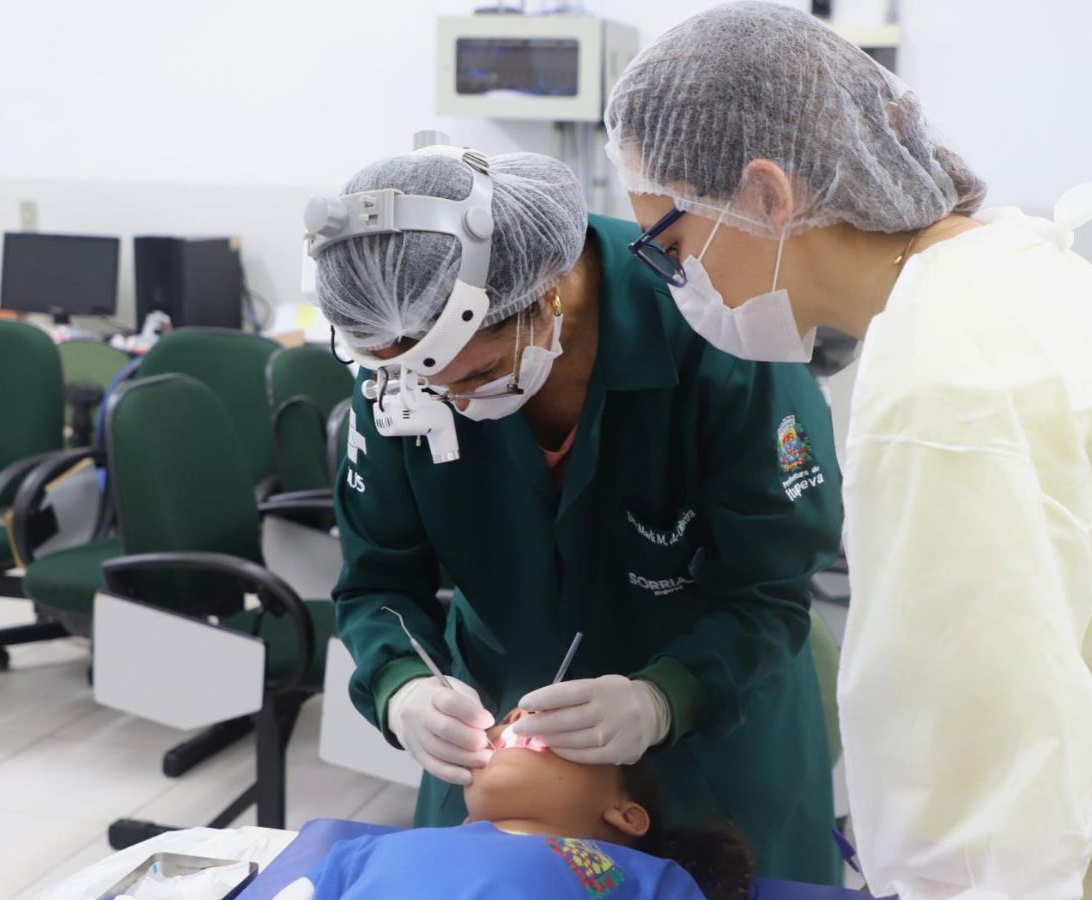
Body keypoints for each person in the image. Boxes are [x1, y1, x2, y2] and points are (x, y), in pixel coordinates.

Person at [603, 3, 1092, 898]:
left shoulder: (950, 380)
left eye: (671, 246)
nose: (681, 284)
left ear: (767, 195)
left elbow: (977, 793)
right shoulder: (1010, 279)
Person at [312, 147, 844, 884]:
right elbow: (377, 583)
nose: (452, 406)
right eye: (419, 384)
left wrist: (666, 699)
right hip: (498, 711)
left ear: (548, 293)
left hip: (718, 733)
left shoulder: (716, 327)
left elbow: (772, 585)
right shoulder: (408, 379)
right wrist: (401, 683)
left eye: (474, 374)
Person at [274, 710, 755, 900]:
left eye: (562, 732)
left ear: (625, 815)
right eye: (506, 720)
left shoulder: (633, 874)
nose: (520, 717)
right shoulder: (369, 850)